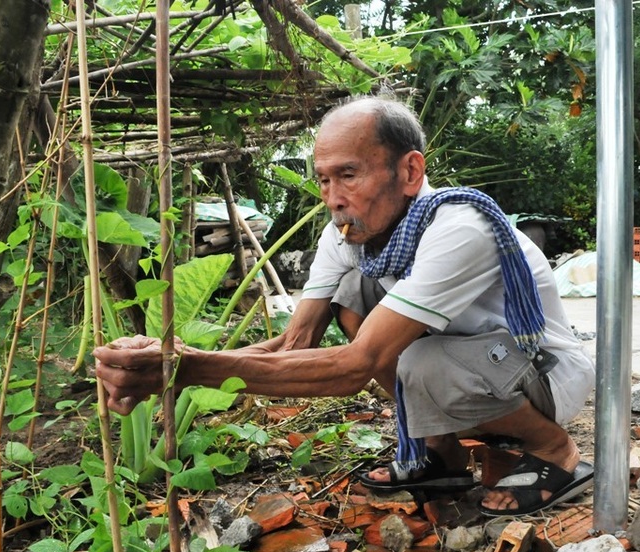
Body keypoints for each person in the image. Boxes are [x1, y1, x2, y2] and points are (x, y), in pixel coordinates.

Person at [93, 95, 596, 516]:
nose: (333, 198)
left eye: (349, 175)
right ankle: (441, 454)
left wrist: (187, 369)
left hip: (542, 373)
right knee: (355, 292)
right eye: (325, 179)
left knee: (421, 360)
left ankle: (554, 448)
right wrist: (178, 355)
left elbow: (358, 366)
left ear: (410, 170)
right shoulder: (350, 234)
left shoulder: (460, 228)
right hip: (473, 366)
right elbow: (297, 341)